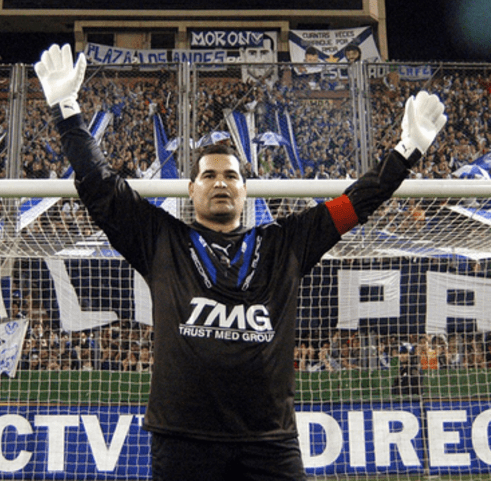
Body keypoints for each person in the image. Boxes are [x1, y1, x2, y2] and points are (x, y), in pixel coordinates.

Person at [34, 44, 446, 481]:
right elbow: (99, 185)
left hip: (269, 442)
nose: (220, 183)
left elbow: (354, 204)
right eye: (208, 175)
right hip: (182, 439)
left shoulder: (286, 243)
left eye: (231, 175)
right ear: (190, 190)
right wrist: (66, 109)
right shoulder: (161, 240)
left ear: (245, 193)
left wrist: (406, 152)